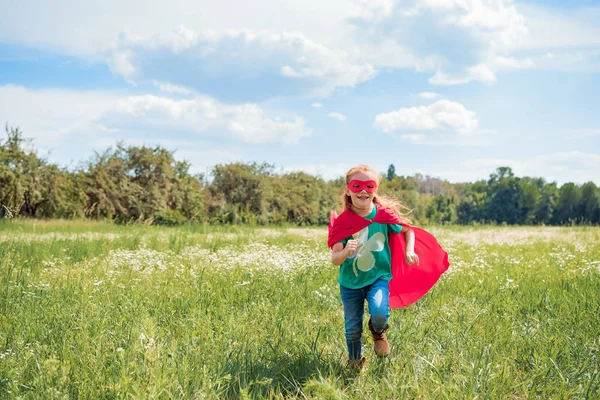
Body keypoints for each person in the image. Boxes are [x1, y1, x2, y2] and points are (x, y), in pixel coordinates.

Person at [328, 164, 449, 370]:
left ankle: (378, 331)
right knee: (352, 328)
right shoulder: (342, 222)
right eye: (357, 186)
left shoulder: (382, 215)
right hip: (350, 283)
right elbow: (335, 259)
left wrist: (410, 251)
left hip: (378, 277)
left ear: (375, 190)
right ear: (348, 190)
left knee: (380, 313)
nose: (363, 191)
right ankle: (355, 363)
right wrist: (346, 252)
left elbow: (407, 231)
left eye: (369, 185)